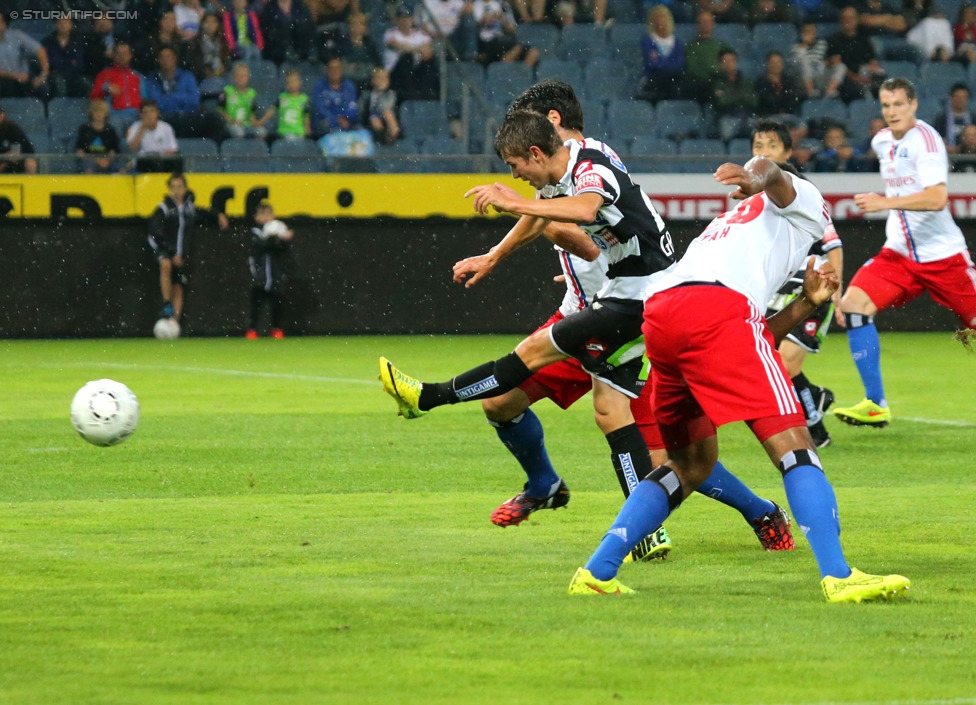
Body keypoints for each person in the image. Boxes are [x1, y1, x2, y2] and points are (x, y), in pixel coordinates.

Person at [448, 79, 796, 557]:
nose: (519, 171)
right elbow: (550, 218)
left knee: (662, 447)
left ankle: (748, 512)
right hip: (588, 312)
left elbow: (587, 236)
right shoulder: (555, 179)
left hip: (632, 314)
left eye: (522, 148)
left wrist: (532, 218)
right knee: (503, 402)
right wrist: (496, 254)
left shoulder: (591, 166)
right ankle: (547, 486)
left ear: (550, 124)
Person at [567, 155, 911, 603]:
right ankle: (839, 575)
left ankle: (597, 572)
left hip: (663, 313)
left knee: (690, 465)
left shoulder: (729, 226)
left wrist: (805, 304)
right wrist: (759, 174)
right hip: (717, 309)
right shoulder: (805, 201)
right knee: (793, 446)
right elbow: (773, 171)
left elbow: (749, 337)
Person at [834, 77, 976, 427]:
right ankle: (875, 402)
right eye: (886, 105)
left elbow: (937, 198)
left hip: (943, 256)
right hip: (898, 253)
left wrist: (886, 202)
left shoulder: (926, 142)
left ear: (914, 104)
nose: (892, 112)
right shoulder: (882, 141)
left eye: (899, 104)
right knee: (853, 304)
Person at [752, 119, 843, 447]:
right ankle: (814, 401)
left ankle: (815, 431)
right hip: (776, 289)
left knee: (786, 362)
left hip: (811, 284)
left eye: (772, 146)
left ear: (788, 152)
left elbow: (832, 242)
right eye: (758, 146)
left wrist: (838, 289)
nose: (764, 153)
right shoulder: (753, 197)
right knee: (773, 360)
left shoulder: (802, 192)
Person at [148, 172, 230, 324]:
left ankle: (174, 324)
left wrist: (218, 215)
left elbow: (204, 212)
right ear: (169, 189)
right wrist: (171, 253)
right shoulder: (163, 208)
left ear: (185, 188)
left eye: (180, 187)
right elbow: (155, 232)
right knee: (165, 264)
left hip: (182, 255)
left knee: (178, 287)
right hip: (166, 250)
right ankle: (166, 304)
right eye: (173, 187)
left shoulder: (189, 209)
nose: (177, 190)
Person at [246, 200, 294, 339]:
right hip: (259, 275)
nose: (266, 217)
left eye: (269, 213)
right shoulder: (255, 232)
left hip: (275, 275)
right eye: (263, 214)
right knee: (256, 304)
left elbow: (282, 248)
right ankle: (252, 329)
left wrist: (283, 239)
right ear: (256, 217)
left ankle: (276, 329)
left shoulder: (277, 229)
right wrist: (275, 238)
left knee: (277, 303)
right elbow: (260, 246)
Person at [825, 6, 885, 104]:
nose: (848, 21)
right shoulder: (833, 40)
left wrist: (872, 72)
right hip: (845, 79)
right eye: (845, 18)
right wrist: (857, 78)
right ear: (840, 20)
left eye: (851, 18)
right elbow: (838, 67)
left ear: (857, 20)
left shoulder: (864, 40)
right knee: (856, 91)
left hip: (863, 75)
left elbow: (872, 61)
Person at [383, 5, 440, 102]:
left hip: (415, 72)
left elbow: (428, 50)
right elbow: (395, 44)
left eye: (407, 18)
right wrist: (417, 49)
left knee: (429, 60)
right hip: (395, 73)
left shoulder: (419, 34)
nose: (404, 21)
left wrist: (410, 48)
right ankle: (412, 94)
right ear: (397, 19)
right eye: (402, 18)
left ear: (412, 19)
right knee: (407, 57)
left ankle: (427, 93)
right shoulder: (390, 33)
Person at [637, 4, 685, 103]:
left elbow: (679, 64)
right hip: (654, 79)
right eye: (656, 18)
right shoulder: (648, 41)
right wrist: (669, 65)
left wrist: (662, 62)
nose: (659, 21)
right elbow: (652, 64)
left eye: (662, 17)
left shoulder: (678, 42)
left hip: (673, 81)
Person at [710, 48, 758, 141]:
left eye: (732, 60)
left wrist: (729, 95)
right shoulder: (716, 82)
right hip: (728, 117)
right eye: (725, 61)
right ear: (720, 64)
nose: (729, 64)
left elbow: (754, 101)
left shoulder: (746, 82)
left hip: (748, 116)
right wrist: (741, 95)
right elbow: (722, 102)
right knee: (726, 130)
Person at [0, 11, 51, 100]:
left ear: (4, 24)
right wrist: (14, 75)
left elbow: (40, 50)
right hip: (3, 79)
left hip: (24, 79)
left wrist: (44, 74)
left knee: (43, 88)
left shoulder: (16, 35)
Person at [90, 43, 143, 126]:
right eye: (119, 53)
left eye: (125, 53)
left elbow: (146, 98)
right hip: (115, 115)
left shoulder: (138, 76)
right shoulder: (105, 74)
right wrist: (106, 87)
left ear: (130, 55)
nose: (122, 56)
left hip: (137, 115)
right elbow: (93, 97)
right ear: (113, 56)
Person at [792, 21, 845, 100]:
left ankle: (829, 91)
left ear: (815, 32)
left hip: (819, 75)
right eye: (807, 31)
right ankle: (810, 91)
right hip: (803, 80)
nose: (810, 33)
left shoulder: (822, 44)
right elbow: (797, 64)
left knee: (841, 66)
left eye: (812, 31)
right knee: (804, 61)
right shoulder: (796, 47)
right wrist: (804, 44)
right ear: (802, 33)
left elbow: (826, 60)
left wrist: (830, 62)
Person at [219, 61, 273, 139]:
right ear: (233, 77)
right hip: (231, 123)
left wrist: (254, 122)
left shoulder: (252, 93)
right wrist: (232, 121)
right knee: (239, 133)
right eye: (238, 76)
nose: (241, 78)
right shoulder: (226, 91)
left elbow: (252, 112)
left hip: (247, 123)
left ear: (248, 78)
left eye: (243, 76)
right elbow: (221, 111)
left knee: (262, 132)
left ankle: (257, 149)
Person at [126, 100, 181, 173]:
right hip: (144, 161)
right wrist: (142, 128)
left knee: (177, 158)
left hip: (162, 159)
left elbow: (174, 148)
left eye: (152, 111)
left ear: (157, 113)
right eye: (145, 112)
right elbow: (133, 148)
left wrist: (163, 154)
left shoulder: (166, 127)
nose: (149, 115)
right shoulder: (134, 127)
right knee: (153, 161)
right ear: (141, 115)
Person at [311, 55, 360, 136]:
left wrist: (345, 118)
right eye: (331, 68)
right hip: (326, 122)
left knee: (360, 130)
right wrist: (336, 119)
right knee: (329, 126)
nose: (334, 71)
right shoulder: (319, 85)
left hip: (346, 121)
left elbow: (352, 107)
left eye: (337, 68)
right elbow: (319, 108)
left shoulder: (349, 85)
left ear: (341, 70)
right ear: (327, 70)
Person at [42, 17, 91, 98]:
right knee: (59, 82)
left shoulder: (78, 41)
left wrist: (61, 62)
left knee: (87, 84)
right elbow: (51, 63)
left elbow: (79, 64)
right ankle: (61, 108)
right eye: (61, 22)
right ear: (56, 25)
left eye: (66, 22)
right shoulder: (48, 41)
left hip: (75, 75)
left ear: (71, 25)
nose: (63, 25)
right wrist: (69, 62)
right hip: (55, 75)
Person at [75, 99, 121, 174]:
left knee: (120, 169)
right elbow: (80, 151)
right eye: (96, 111)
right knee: (89, 168)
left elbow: (113, 151)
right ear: (91, 113)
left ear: (105, 114)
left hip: (107, 160)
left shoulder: (110, 130)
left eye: (101, 111)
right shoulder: (84, 129)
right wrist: (97, 160)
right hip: (89, 161)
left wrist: (106, 160)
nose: (99, 114)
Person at [755, 50, 804, 119]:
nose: (776, 65)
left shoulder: (789, 81)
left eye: (778, 62)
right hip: (769, 117)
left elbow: (794, 100)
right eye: (773, 62)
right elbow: (765, 102)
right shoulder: (761, 82)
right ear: (767, 64)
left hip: (789, 117)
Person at [269, 68, 312, 141]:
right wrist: (261, 121)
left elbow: (306, 115)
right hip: (284, 131)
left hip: (299, 131)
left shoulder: (304, 99)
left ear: (300, 82)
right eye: (289, 82)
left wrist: (307, 127)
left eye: (295, 81)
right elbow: (272, 110)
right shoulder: (282, 97)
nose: (292, 84)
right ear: (286, 85)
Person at [933, 82, 976, 153]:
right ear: (951, 98)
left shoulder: (974, 118)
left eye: (964, 97)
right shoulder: (941, 119)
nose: (961, 100)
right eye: (957, 97)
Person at [364, 67, 400, 145]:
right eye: (379, 78)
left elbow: (385, 106)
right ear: (372, 81)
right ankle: (382, 137)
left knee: (388, 113)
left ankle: (393, 135)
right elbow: (362, 110)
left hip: (386, 117)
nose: (382, 80)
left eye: (385, 78)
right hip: (370, 118)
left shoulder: (391, 94)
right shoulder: (366, 95)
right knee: (375, 119)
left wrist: (381, 93)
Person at [0, 105, 37, 175]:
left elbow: (18, 152)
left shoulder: (12, 129)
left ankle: (29, 184)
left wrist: (5, 161)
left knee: (30, 163)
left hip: (14, 164)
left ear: (2, 116)